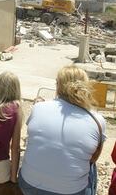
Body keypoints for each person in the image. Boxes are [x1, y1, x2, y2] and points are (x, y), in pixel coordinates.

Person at [19, 65, 106, 195]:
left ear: (58, 86)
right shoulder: (97, 120)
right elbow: (94, 157)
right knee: (91, 168)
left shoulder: (39, 108)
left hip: (29, 184)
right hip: (72, 191)